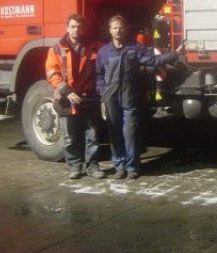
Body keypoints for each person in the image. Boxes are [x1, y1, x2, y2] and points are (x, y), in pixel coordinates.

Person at [95, 15, 183, 180]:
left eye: (120, 27)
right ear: (110, 30)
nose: (118, 30)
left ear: (125, 29)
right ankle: (119, 167)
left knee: (130, 132)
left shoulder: (134, 48)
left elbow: (153, 60)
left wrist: (173, 55)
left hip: (129, 96)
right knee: (114, 133)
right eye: (115, 28)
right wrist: (102, 91)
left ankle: (132, 168)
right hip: (111, 98)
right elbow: (99, 75)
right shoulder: (103, 52)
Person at [45, 14, 106, 180]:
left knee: (92, 136)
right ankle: (75, 166)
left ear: (83, 29)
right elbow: (52, 73)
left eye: (79, 27)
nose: (76, 30)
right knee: (69, 137)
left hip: (89, 98)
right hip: (66, 99)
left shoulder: (94, 47)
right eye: (72, 26)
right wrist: (67, 92)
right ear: (67, 28)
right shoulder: (56, 49)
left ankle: (93, 167)